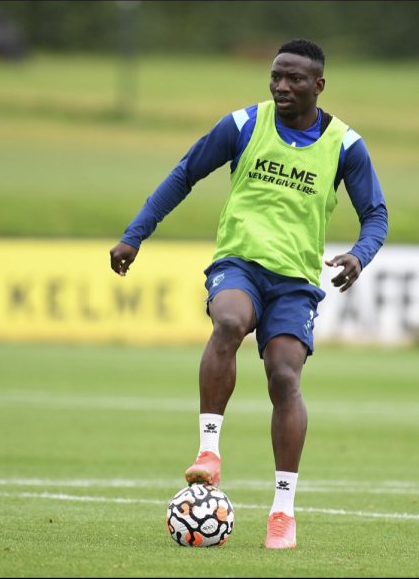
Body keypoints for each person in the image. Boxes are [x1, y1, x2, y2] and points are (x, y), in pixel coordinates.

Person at [110, 38, 388, 549]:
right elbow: (185, 174)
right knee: (230, 321)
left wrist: (359, 254)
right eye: (276, 76)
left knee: (284, 376)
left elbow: (376, 214)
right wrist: (135, 235)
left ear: (319, 85)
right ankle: (209, 451)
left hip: (295, 282)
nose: (282, 86)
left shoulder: (346, 145)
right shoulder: (243, 124)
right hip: (238, 264)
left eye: (294, 78)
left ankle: (282, 511)